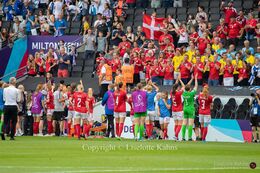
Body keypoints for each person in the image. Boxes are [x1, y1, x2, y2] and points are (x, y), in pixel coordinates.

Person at [181, 74, 198, 141]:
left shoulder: (183, 93)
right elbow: (196, 86)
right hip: (191, 109)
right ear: (190, 89)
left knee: (184, 123)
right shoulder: (191, 94)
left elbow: (184, 87)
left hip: (185, 108)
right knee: (190, 124)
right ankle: (190, 137)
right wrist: (195, 79)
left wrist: (191, 79)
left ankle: (183, 137)